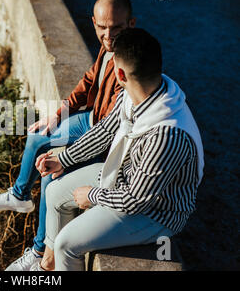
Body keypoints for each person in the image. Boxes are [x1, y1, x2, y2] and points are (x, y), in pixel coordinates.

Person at [0, 0, 136, 271]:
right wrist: (59, 112)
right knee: (38, 136)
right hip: (91, 119)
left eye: (117, 27)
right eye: (103, 27)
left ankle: (40, 253)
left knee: (53, 177)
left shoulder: (129, 61)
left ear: (131, 24)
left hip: (104, 140)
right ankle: (20, 196)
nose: (109, 34)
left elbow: (108, 131)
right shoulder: (107, 46)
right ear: (94, 23)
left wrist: (66, 158)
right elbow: (89, 81)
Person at [35, 28, 204, 271]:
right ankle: (48, 265)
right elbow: (106, 130)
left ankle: (58, 258)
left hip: (156, 212)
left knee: (66, 244)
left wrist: (92, 195)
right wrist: (64, 158)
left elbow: (136, 200)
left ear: (120, 73)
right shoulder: (139, 92)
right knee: (54, 192)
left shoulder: (166, 136)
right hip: (124, 175)